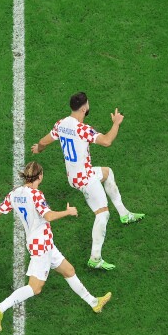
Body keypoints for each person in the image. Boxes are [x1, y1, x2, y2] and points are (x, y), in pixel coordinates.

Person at [0, 162, 112, 331]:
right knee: (35, 287)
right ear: (40, 176)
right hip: (42, 246)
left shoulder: (14, 194)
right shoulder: (36, 195)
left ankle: (94, 302)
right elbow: (48, 216)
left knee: (68, 270)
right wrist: (67, 212)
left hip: (41, 243)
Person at [31, 92, 144, 271]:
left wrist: (39, 148)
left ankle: (124, 214)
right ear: (84, 108)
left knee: (107, 173)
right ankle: (95, 258)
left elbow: (44, 140)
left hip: (74, 175)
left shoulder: (61, 124)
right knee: (103, 213)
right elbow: (106, 141)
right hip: (84, 178)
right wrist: (116, 124)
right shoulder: (82, 129)